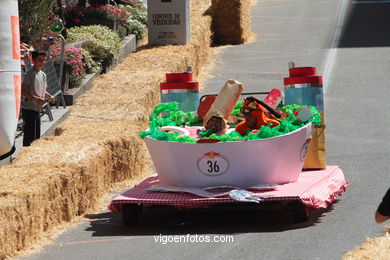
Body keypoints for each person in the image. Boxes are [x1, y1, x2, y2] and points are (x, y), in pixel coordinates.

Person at [21, 50, 55, 146]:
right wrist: (35, 99)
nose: (42, 62)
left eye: (43, 60)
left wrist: (50, 96)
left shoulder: (43, 74)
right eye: (39, 60)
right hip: (29, 108)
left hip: (37, 108)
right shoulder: (30, 74)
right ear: (33, 60)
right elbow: (23, 90)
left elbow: (42, 90)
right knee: (30, 137)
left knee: (36, 137)